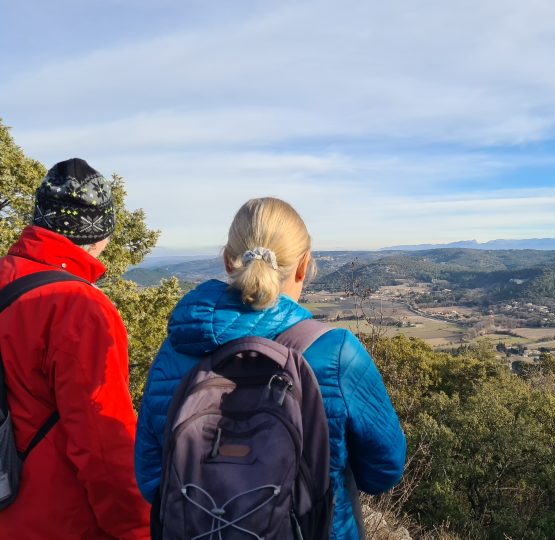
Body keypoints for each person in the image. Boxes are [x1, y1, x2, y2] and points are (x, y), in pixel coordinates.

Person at [135, 197, 406, 539]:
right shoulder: (335, 352)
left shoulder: (177, 347)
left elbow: (150, 477)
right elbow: (384, 471)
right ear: (304, 266)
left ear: (226, 261)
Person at [0, 158, 150, 539]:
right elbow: (103, 442)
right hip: (54, 520)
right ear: (101, 234)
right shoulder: (77, 307)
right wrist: (138, 529)